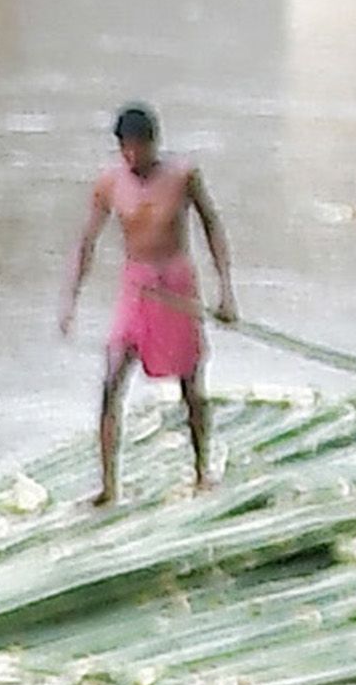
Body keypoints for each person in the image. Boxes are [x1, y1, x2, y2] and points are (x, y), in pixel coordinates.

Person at [57, 103, 232, 506]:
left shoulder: (183, 176)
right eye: (125, 149)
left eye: (139, 148)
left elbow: (212, 227)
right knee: (112, 379)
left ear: (154, 143)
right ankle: (108, 486)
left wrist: (225, 291)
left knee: (191, 385)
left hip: (175, 283)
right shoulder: (109, 184)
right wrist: (71, 301)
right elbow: (87, 242)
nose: (132, 157)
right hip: (136, 288)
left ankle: (202, 470)